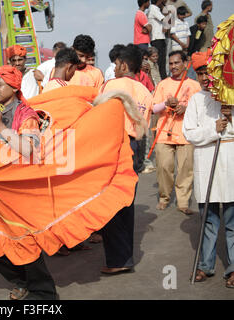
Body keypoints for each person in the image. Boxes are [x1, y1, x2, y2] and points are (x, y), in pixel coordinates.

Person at [0, 65, 57, 300]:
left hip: (21, 188)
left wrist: (0, 127)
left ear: (13, 86)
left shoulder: (26, 115)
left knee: (24, 241)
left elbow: (28, 150)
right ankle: (20, 281)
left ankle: (44, 293)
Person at [183, 50, 234, 289]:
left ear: (217, 71)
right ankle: (206, 265)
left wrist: (231, 117)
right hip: (206, 160)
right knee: (208, 220)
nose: (204, 77)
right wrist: (214, 127)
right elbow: (189, 133)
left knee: (232, 219)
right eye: (200, 72)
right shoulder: (196, 100)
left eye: (208, 71)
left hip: (228, 159)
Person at [98, 44, 152, 275]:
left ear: (124, 65)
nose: (115, 68)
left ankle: (118, 259)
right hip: (136, 146)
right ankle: (125, 256)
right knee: (127, 202)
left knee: (111, 203)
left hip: (115, 146)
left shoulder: (112, 85)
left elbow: (98, 115)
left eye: (117, 64)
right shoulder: (145, 92)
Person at [152, 50, 201, 214]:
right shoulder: (163, 84)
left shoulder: (195, 85)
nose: (173, 66)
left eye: (176, 63)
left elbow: (201, 110)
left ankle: (183, 202)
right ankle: (164, 197)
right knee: (164, 167)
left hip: (186, 134)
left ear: (185, 63)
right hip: (164, 132)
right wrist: (167, 103)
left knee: (185, 170)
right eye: (170, 63)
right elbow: (153, 108)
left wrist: (186, 109)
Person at [148, 0, 167, 80]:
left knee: (161, 62)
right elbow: (166, 20)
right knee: (160, 62)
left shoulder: (154, 8)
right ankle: (162, 79)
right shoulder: (154, 8)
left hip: (159, 38)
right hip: (157, 38)